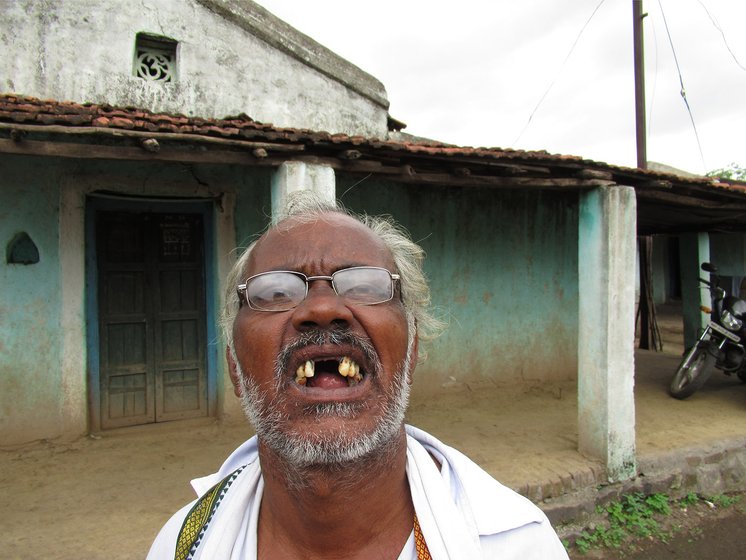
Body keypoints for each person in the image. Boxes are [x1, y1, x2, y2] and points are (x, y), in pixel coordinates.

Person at [147, 193, 569, 559]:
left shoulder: (517, 546)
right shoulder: (183, 545)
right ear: (235, 368)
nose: (322, 309)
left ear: (412, 350)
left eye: (365, 286)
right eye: (275, 292)